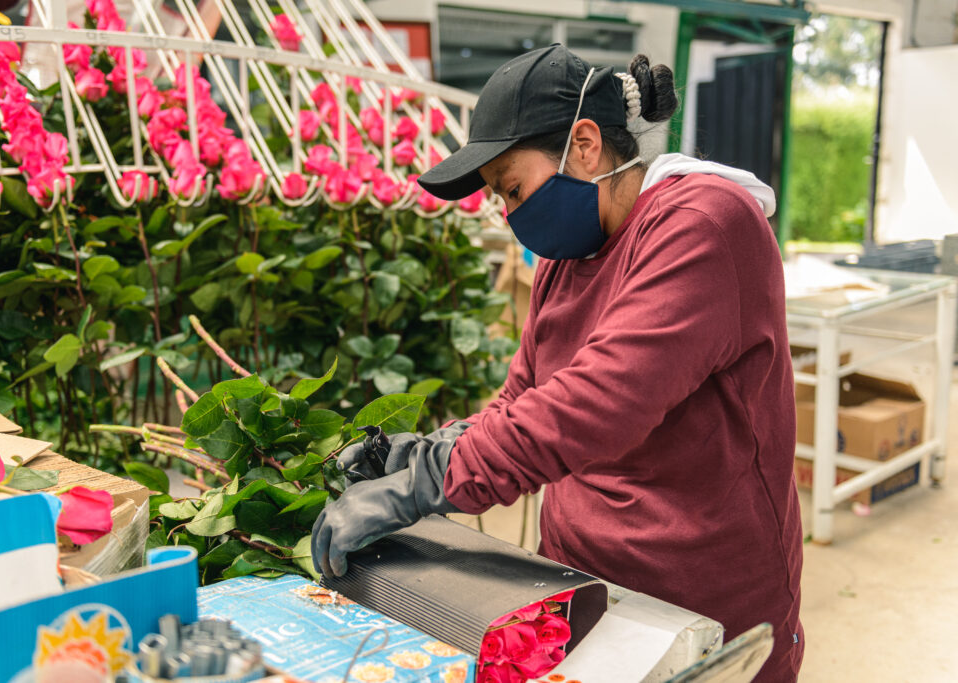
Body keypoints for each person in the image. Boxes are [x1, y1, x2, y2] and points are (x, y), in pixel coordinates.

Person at [311, 44, 804, 681]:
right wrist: (410, 454)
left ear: (586, 144)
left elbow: (593, 406)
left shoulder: (705, 224)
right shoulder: (568, 257)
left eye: (512, 188)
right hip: (576, 583)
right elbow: (523, 403)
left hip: (699, 594)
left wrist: (421, 487)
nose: (509, 214)